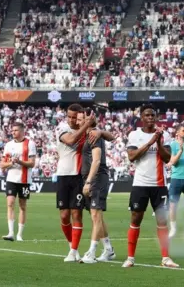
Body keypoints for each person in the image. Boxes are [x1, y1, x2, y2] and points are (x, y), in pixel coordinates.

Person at [123, 104, 178, 268]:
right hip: (140, 183)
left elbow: (167, 158)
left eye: (153, 115)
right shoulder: (134, 135)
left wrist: (159, 142)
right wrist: (150, 142)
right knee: (136, 218)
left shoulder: (165, 135)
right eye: (147, 115)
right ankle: (130, 258)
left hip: (159, 185)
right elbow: (132, 157)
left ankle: (166, 258)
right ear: (141, 117)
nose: (150, 118)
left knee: (162, 221)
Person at [56, 104, 110, 262]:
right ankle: (74, 245)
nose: (72, 120)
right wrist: (87, 124)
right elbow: (71, 140)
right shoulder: (62, 128)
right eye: (70, 117)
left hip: (80, 177)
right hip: (64, 175)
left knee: (80, 213)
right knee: (64, 216)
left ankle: (74, 251)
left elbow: (110, 136)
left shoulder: (89, 132)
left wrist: (99, 130)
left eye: (76, 117)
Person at [79, 109, 115, 263]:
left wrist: (88, 181)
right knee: (97, 215)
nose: (80, 121)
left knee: (95, 214)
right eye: (81, 119)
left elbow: (96, 160)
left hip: (97, 177)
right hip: (92, 177)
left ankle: (91, 252)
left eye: (83, 118)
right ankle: (108, 250)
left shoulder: (94, 134)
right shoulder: (88, 134)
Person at [0, 122, 37, 242]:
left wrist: (19, 162)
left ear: (22, 131)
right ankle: (10, 232)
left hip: (24, 180)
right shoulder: (8, 145)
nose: (13, 132)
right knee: (10, 203)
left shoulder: (30, 144)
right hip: (11, 179)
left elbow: (32, 163)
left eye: (15, 130)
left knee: (22, 206)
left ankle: (19, 234)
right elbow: (2, 165)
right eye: (12, 130)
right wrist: (11, 163)